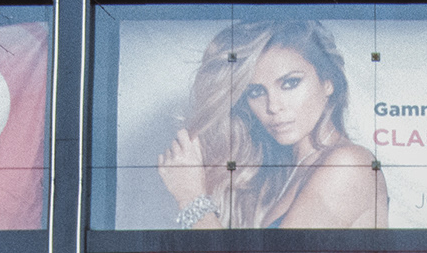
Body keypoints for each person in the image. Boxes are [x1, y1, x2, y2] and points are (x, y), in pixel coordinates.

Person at [158, 20, 388, 229]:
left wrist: (190, 197)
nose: (273, 107)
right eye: (256, 92)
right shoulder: (280, 173)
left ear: (328, 81)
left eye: (290, 83)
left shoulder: (350, 165)